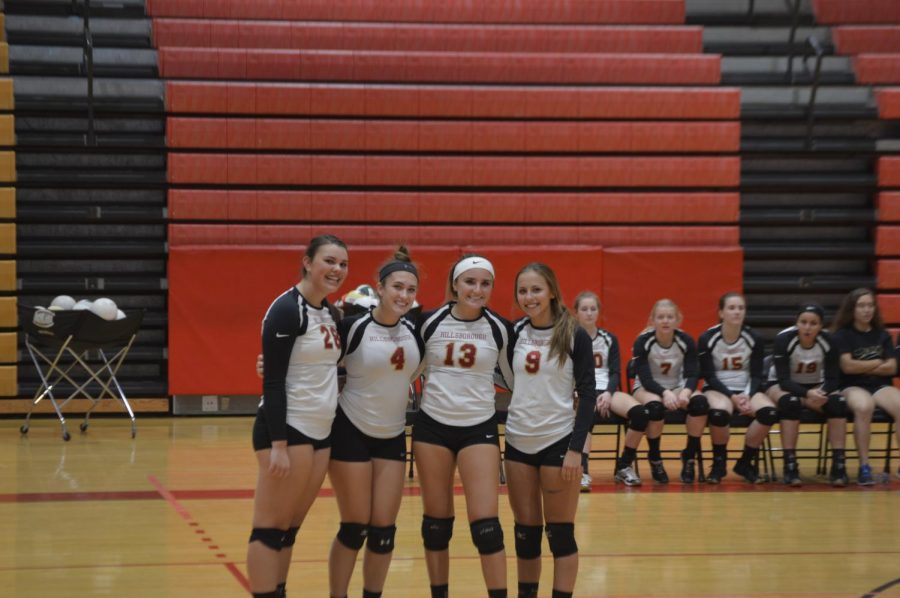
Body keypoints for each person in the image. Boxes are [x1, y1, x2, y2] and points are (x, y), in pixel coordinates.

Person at [247, 234, 349, 598]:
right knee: (269, 528)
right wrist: (278, 444)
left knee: (289, 527)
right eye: (329, 261)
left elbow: (323, 369)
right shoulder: (287, 309)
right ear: (307, 262)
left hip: (320, 432)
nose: (337, 270)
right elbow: (272, 382)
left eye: (342, 264)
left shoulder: (330, 312)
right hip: (288, 431)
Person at [412, 254, 513, 598]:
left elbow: (517, 380)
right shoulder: (428, 323)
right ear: (455, 284)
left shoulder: (500, 328)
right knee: (436, 527)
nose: (477, 289)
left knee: (487, 529)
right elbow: (403, 371)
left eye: (485, 283)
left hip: (478, 428)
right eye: (470, 281)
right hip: (433, 429)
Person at [327, 247, 424, 598]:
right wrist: (270, 365)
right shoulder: (352, 328)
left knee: (384, 532)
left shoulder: (416, 333)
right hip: (350, 431)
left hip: (392, 436)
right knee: (354, 528)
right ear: (379, 288)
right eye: (397, 287)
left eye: (410, 290)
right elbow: (313, 362)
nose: (404, 295)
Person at [502, 265, 598, 598]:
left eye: (536, 290)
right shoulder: (514, 332)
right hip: (517, 442)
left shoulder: (574, 334)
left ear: (552, 291)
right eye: (523, 291)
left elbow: (588, 395)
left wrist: (576, 450)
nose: (529, 297)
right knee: (525, 534)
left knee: (560, 535)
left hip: (558, 444)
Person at [766, 303, 848, 486]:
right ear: (797, 323)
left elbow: (834, 379)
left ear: (820, 326)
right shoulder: (784, 340)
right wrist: (807, 394)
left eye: (813, 323)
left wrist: (822, 392)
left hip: (816, 386)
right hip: (782, 385)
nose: (808, 327)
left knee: (838, 403)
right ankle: (790, 465)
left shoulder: (829, 342)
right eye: (803, 322)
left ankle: (839, 466)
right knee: (791, 403)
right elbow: (783, 380)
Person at [698, 292, 775, 484]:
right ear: (721, 313)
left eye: (741, 308)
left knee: (769, 413)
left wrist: (747, 395)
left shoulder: (754, 338)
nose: (737, 312)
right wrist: (733, 397)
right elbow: (709, 376)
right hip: (718, 388)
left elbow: (757, 374)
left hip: (747, 388)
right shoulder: (708, 337)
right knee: (718, 414)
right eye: (732, 308)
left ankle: (745, 462)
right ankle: (719, 464)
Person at [573, 291, 647, 487]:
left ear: (598, 312)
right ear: (576, 313)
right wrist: (579, 392)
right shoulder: (569, 338)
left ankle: (623, 466)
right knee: (585, 411)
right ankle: (582, 470)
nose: (589, 313)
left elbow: (615, 371)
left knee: (641, 413)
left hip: (606, 390)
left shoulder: (609, 339)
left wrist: (608, 393)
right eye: (584, 309)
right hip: (580, 391)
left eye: (593, 309)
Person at [631, 299, 708, 484]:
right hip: (648, 388)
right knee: (655, 409)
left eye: (669, 317)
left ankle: (689, 455)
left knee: (700, 403)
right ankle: (655, 457)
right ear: (653, 320)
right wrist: (665, 393)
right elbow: (645, 378)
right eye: (661, 317)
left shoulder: (686, 340)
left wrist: (686, 392)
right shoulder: (643, 341)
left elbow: (693, 373)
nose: (665, 321)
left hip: (677, 386)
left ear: (677, 320)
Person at [831, 288, 900, 485]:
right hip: (851, 386)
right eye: (861, 305)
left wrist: (863, 367)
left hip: (880, 386)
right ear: (852, 309)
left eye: (870, 305)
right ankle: (864, 466)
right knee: (864, 406)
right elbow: (847, 366)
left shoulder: (882, 335)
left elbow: (893, 367)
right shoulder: (842, 335)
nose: (867, 310)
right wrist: (878, 363)